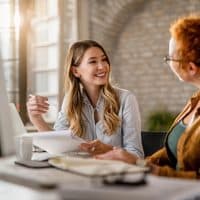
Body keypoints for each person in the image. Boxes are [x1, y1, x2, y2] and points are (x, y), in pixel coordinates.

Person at [96, 15, 200, 179]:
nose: (168, 61)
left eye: (169, 58)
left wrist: (146, 168)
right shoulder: (195, 101)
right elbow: (170, 154)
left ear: (191, 68)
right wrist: (135, 162)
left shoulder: (125, 98)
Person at [27, 40, 144, 157]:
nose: (102, 66)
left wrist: (107, 150)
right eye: (93, 61)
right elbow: (57, 146)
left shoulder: (126, 99)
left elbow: (136, 154)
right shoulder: (70, 101)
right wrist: (36, 119)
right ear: (76, 71)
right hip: (79, 172)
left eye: (104, 60)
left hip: (113, 173)